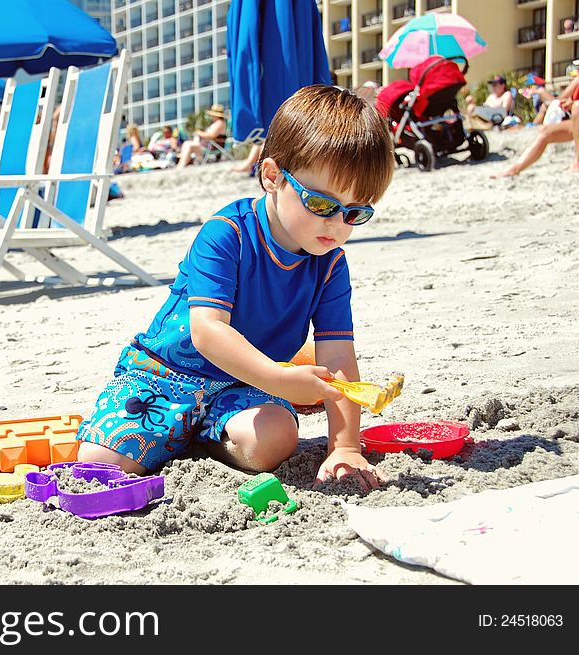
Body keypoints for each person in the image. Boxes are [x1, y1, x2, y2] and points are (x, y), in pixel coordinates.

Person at [75, 84, 394, 491]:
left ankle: (206, 440)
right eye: (321, 205)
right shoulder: (227, 234)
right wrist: (277, 379)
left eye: (355, 212)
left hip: (244, 386)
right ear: (273, 176)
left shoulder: (330, 264)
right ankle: (182, 432)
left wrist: (346, 445)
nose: (336, 225)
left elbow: (338, 357)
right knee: (100, 460)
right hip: (164, 374)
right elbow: (208, 331)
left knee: (276, 440)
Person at [494, 57, 579, 177]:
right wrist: (572, 103)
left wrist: (576, 102)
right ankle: (515, 169)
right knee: (545, 132)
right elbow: (563, 101)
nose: (576, 70)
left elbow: (563, 101)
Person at [177, 104, 228, 169]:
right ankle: (181, 164)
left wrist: (199, 133)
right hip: (207, 146)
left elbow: (211, 136)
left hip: (210, 147)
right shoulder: (217, 123)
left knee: (188, 145)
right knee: (187, 144)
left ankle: (182, 165)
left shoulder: (219, 123)